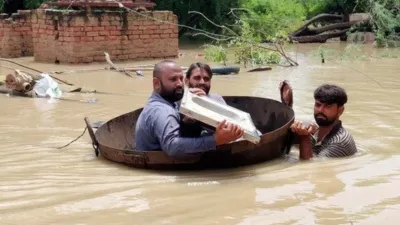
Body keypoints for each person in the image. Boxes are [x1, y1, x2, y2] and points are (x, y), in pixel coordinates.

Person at [135, 60, 244, 157]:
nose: (179, 84)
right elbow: (172, 146)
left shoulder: (168, 102)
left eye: (180, 79)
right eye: (173, 79)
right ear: (156, 84)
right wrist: (215, 140)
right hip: (163, 168)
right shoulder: (163, 110)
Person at [279, 81, 357, 160]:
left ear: (340, 111)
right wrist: (287, 104)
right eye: (318, 105)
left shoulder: (339, 142)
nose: (320, 110)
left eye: (328, 107)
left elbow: (309, 166)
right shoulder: (314, 127)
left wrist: (304, 136)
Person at [179, 62, 226, 137]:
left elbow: (227, 127)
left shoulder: (217, 99)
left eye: (206, 79)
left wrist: (206, 103)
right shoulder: (178, 101)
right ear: (186, 81)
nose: (202, 82)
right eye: (197, 78)